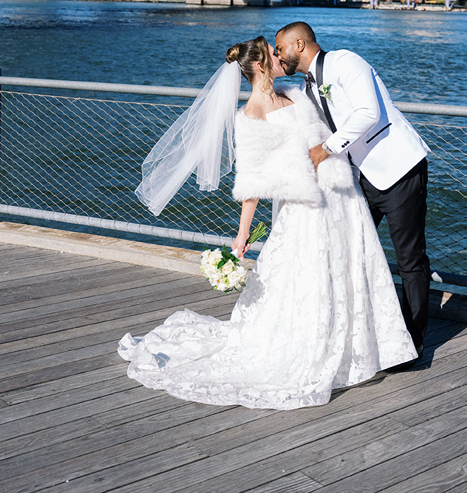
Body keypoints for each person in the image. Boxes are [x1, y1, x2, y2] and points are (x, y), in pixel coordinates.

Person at [118, 36, 417, 410]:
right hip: (305, 204)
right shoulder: (249, 116)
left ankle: (362, 349)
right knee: (313, 277)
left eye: (280, 51)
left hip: (342, 194)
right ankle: (321, 347)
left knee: (350, 268)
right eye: (274, 55)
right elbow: (252, 179)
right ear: (260, 65)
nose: (280, 58)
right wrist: (243, 233)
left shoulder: (295, 89)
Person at [275, 22, 430, 363]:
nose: (278, 55)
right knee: (352, 250)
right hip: (362, 178)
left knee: (409, 260)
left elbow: (368, 113)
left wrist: (324, 149)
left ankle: (412, 346)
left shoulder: (345, 62)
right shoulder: (308, 86)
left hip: (399, 168)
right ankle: (368, 332)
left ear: (298, 45)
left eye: (280, 49)